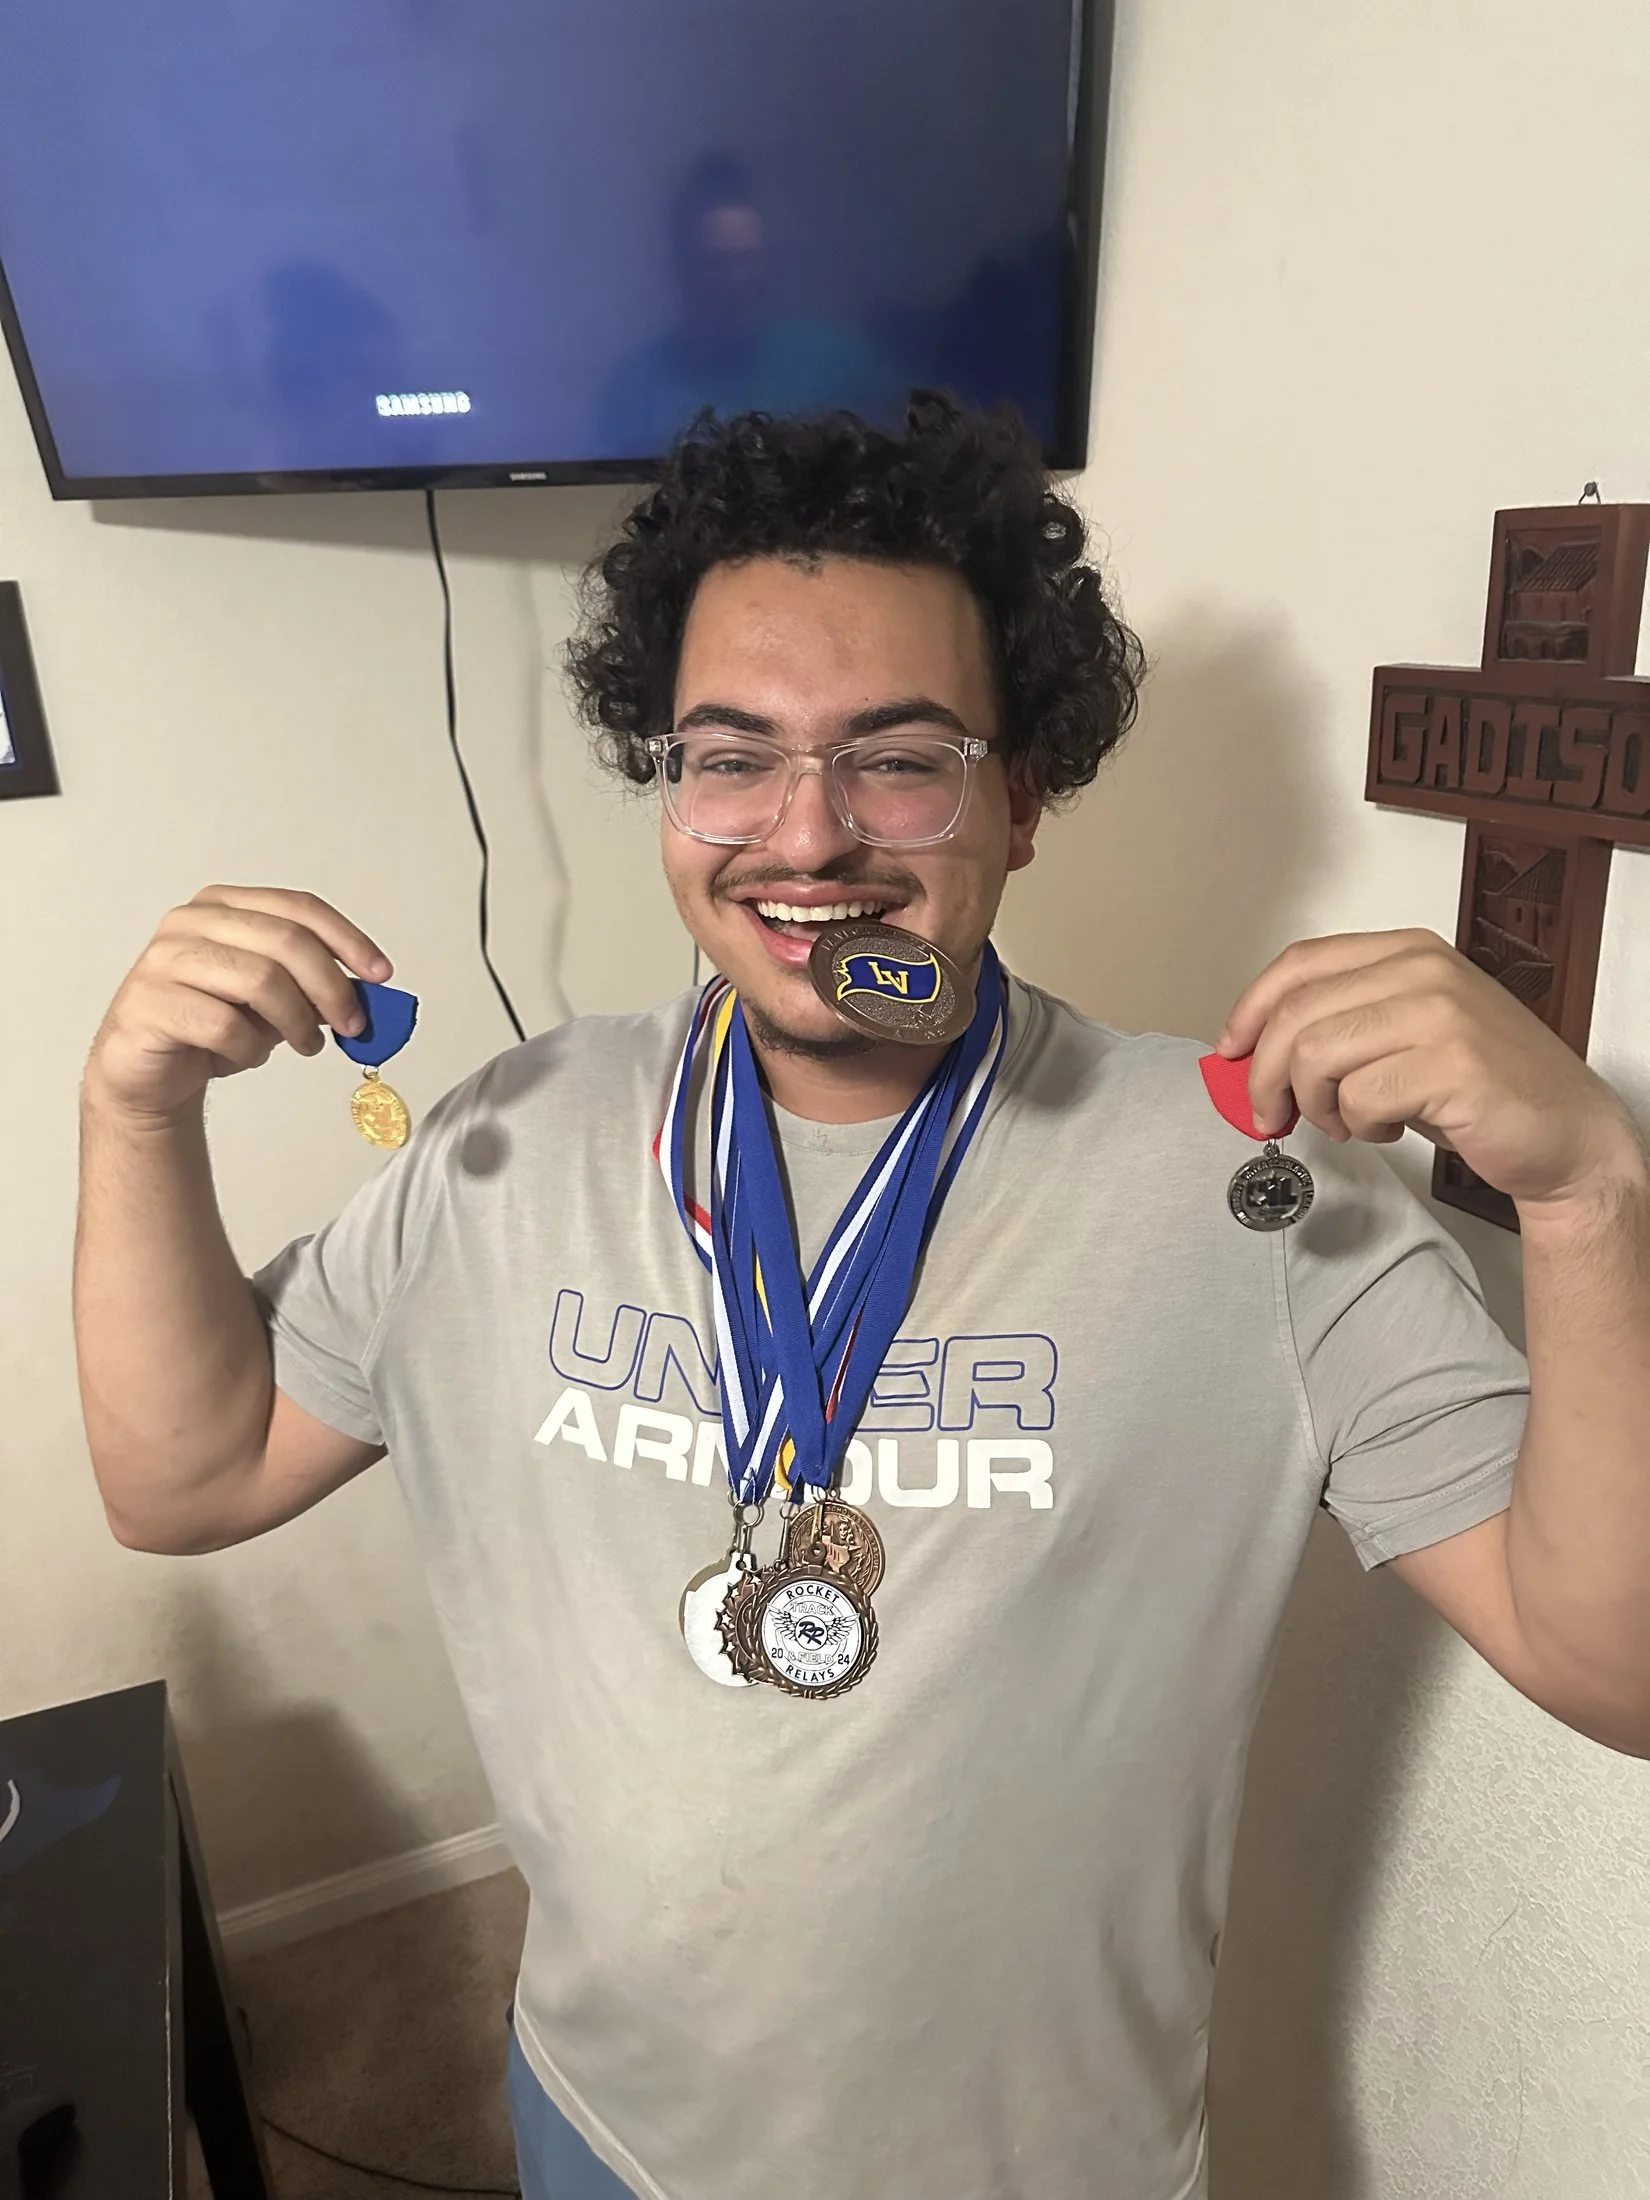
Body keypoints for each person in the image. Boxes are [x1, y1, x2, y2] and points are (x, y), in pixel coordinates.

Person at [75, 395, 1650, 2200]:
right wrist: (133, 1110)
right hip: (598, 2125)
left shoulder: (1254, 1186)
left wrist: (1590, 1194)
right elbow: (181, 1481)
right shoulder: (504, 1143)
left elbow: (1619, 1669)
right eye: (729, 757)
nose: (805, 838)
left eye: (898, 757)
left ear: (1023, 797)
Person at [592, 150, 903, 458]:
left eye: (749, 258)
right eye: (718, 262)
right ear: (683, 270)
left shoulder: (835, 361)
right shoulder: (635, 390)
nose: (738, 281)